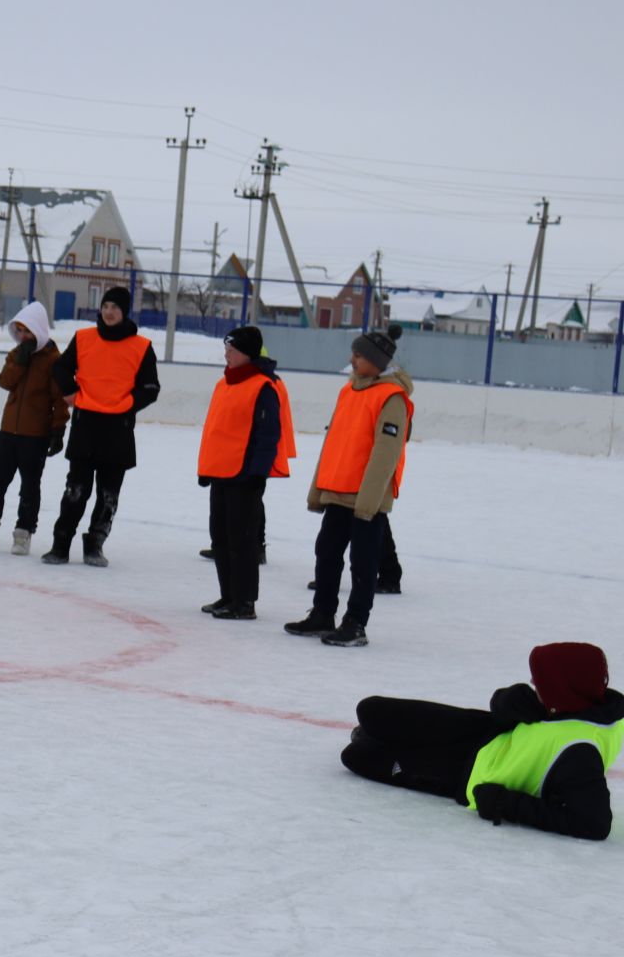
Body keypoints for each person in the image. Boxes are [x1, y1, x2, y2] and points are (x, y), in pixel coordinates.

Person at [340, 642, 620, 841]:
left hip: (463, 774)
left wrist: (506, 804)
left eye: (540, 683)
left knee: (357, 755)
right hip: (481, 731)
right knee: (371, 710)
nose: (534, 683)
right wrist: (508, 701)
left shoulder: (581, 753)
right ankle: (373, 733)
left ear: (562, 688)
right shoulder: (576, 701)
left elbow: (593, 824)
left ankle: (372, 739)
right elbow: (509, 710)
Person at [284, 324, 411, 647]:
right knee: (326, 553)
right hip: (338, 491)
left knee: (363, 562)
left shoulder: (391, 397)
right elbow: (334, 444)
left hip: (366, 499)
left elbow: (386, 454)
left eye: (358, 355)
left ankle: (356, 623)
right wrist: (319, 489)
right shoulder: (348, 390)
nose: (352, 359)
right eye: (353, 353)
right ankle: (322, 614)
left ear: (376, 361)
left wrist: (369, 502)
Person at [41, 286, 160, 567]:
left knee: (108, 495)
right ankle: (60, 544)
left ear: (124, 312)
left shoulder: (141, 346)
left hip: (118, 429)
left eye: (115, 307)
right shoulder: (84, 338)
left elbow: (151, 388)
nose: (109, 312)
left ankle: (95, 544)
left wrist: (127, 404)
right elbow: (60, 368)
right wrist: (70, 393)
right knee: (76, 491)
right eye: (106, 306)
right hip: (86, 425)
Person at [195, 326, 294, 620]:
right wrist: (205, 468)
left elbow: (268, 435)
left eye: (232, 350)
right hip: (221, 472)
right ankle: (228, 595)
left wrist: (257, 473)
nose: (226, 354)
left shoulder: (263, 386)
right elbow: (214, 429)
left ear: (247, 354)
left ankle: (245, 601)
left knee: (242, 540)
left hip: (244, 475)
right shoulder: (223, 384)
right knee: (221, 538)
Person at [0, 300, 68, 555]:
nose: (24, 336)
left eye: (28, 331)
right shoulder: (16, 354)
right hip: (8, 432)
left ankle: (23, 534)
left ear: (39, 330)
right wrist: (20, 362)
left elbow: (59, 399)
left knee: (29, 487)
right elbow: (4, 381)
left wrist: (58, 431)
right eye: (20, 331)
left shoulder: (54, 360)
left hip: (35, 435)